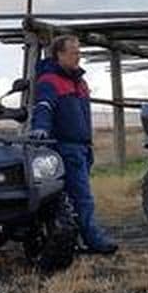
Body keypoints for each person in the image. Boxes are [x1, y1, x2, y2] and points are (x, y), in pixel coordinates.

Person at [30, 34, 118, 254]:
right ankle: (91, 239)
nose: (78, 56)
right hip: (66, 147)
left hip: (82, 147)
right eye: (73, 52)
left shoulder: (79, 82)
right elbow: (44, 106)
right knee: (82, 197)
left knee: (74, 197)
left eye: (79, 52)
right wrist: (40, 128)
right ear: (59, 54)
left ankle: (74, 238)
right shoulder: (50, 81)